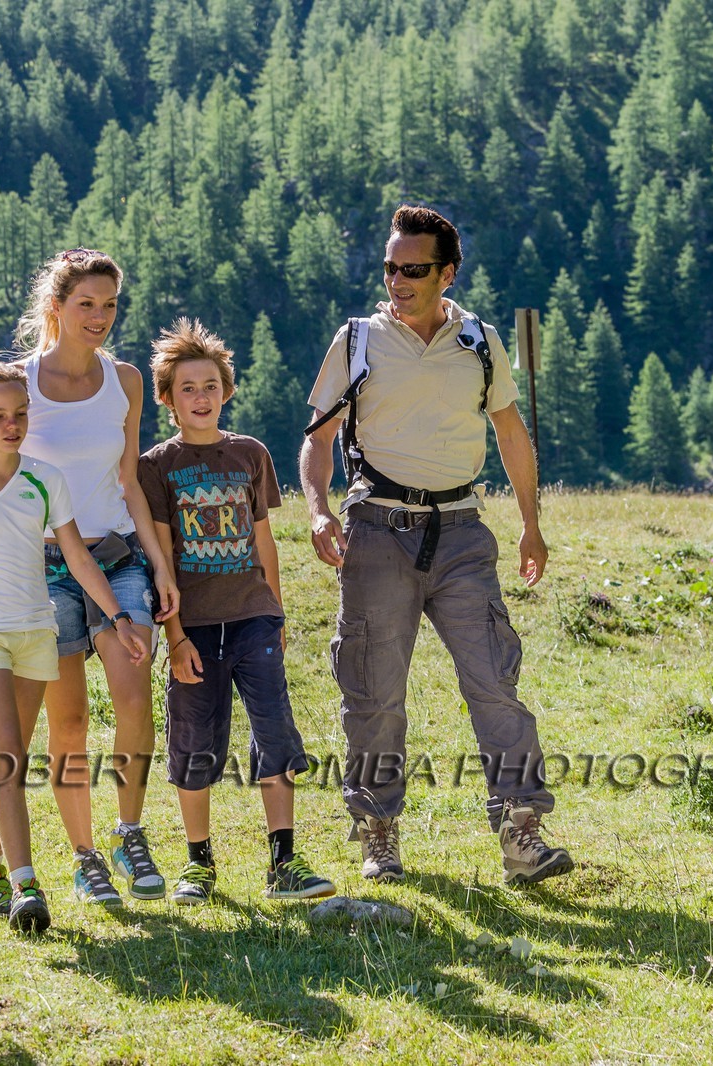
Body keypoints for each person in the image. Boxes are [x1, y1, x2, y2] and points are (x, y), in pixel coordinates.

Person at [300, 204, 574, 886]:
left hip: (461, 534)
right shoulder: (357, 340)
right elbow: (318, 438)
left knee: (495, 683)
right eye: (391, 267)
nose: (397, 280)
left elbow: (511, 433)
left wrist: (532, 525)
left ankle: (522, 836)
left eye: (413, 269)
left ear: (446, 273)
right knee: (373, 692)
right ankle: (378, 834)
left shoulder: (478, 340)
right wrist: (315, 511)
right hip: (377, 531)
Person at [0, 362, 148, 933]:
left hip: (36, 630)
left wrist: (118, 617)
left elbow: (75, 556)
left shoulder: (45, 480)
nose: (12, 424)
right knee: (7, 758)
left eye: (20, 414)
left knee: (13, 753)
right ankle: (26, 885)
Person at [0, 248, 179, 907]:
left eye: (109, 305)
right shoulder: (18, 384)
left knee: (134, 698)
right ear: (56, 308)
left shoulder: (124, 381)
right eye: (86, 305)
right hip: (41, 568)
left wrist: (159, 564)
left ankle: (130, 831)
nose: (99, 316)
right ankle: (84, 857)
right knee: (68, 720)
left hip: (117, 556)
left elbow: (128, 479)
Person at [139, 318, 335, 905]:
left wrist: (275, 610)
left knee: (274, 732)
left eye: (211, 386)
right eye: (187, 388)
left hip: (254, 620)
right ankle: (198, 863)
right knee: (195, 741)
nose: (201, 397)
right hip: (193, 627)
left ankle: (284, 861)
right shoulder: (157, 467)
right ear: (168, 400)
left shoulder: (250, 454)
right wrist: (173, 637)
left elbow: (263, 538)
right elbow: (162, 557)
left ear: (227, 390)